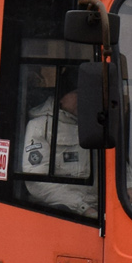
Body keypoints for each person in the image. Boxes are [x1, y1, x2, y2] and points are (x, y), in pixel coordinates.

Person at [21, 76, 96, 217]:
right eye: (78, 94)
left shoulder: (95, 123)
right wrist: (81, 207)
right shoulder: (40, 126)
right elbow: (37, 181)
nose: (83, 99)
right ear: (61, 97)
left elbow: (115, 161)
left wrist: (130, 185)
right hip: (64, 211)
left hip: (101, 206)